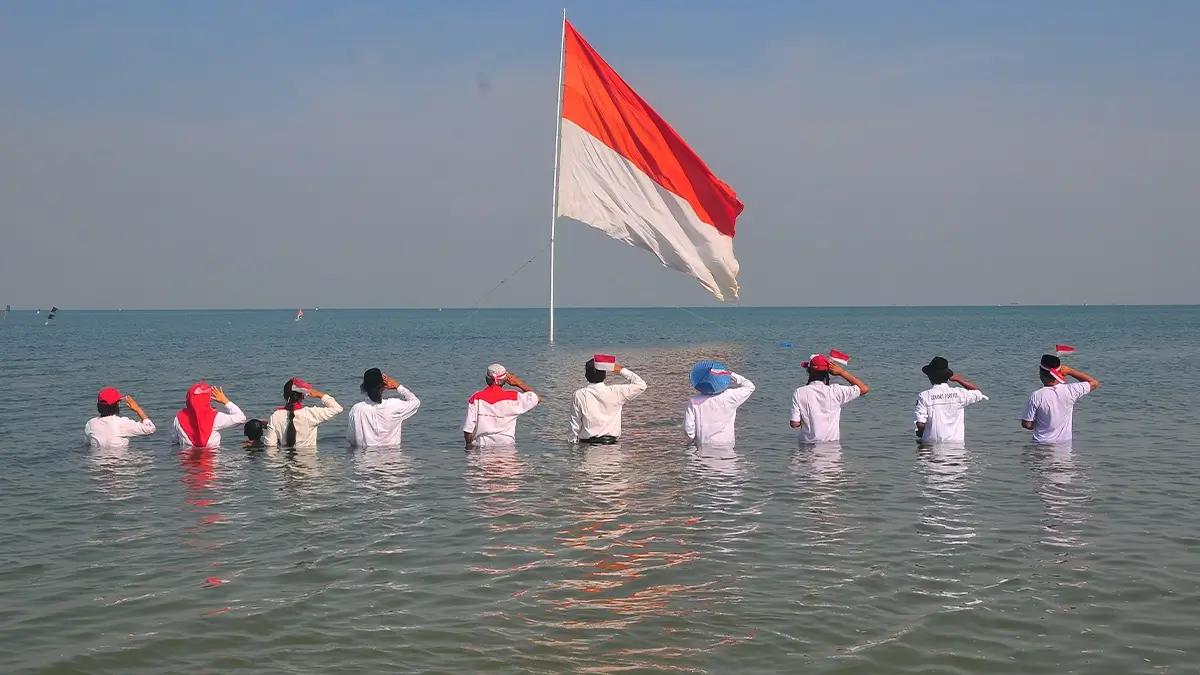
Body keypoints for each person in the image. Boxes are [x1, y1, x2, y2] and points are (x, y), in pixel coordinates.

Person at [789, 354, 870, 443]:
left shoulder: (799, 392)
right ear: (827, 373)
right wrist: (842, 372)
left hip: (806, 446)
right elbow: (864, 389)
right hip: (831, 447)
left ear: (809, 371)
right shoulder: (835, 391)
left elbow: (794, 423)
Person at [1021, 355, 1100, 444]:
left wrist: (1041, 424)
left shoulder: (1036, 396)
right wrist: (1070, 371)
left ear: (1040, 372)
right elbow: (1094, 383)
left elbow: (1026, 424)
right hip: (1064, 445)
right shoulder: (1071, 390)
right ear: (1060, 372)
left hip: (1041, 445)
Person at [568, 358, 647, 444]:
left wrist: (573, 449)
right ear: (605, 375)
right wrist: (621, 370)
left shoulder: (579, 395)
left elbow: (574, 426)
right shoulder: (617, 392)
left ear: (586, 375)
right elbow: (641, 385)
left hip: (588, 447)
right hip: (612, 447)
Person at [462, 364, 540, 449]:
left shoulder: (476, 398)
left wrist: (468, 448)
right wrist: (518, 383)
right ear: (505, 380)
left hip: (482, 446)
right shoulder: (514, 397)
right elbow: (537, 398)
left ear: (487, 379)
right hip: (507, 447)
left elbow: (468, 430)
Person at [913, 357, 987, 444]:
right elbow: (978, 392)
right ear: (948, 377)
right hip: (957, 447)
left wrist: (923, 433)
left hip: (933, 447)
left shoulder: (924, 396)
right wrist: (959, 379)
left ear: (930, 376)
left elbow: (920, 424)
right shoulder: (959, 393)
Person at [684, 361, 755, 446]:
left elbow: (688, 428)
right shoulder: (730, 396)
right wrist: (730, 373)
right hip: (727, 444)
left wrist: (691, 440)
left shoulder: (694, 401)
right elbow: (750, 387)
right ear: (722, 380)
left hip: (704, 445)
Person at [347, 368, 422, 447]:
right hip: (393, 458)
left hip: (365, 458)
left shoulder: (356, 410)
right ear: (383, 386)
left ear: (364, 388)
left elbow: (351, 440)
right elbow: (416, 402)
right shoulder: (394, 405)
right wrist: (398, 386)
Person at [263, 378, 343, 448]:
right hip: (309, 463)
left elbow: (270, 446)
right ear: (302, 397)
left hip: (285, 463)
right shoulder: (312, 414)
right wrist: (319, 395)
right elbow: (337, 408)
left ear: (285, 396)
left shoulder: (275, 417)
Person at [172, 381, 248, 447]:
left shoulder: (178, 418)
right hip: (212, 460)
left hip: (188, 462)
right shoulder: (215, 418)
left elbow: (175, 440)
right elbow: (241, 418)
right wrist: (225, 401)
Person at [84, 387, 156, 448]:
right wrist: (137, 408)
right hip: (119, 463)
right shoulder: (121, 423)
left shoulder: (90, 424)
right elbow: (150, 428)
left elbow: (88, 444)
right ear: (117, 404)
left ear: (98, 405)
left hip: (96, 462)